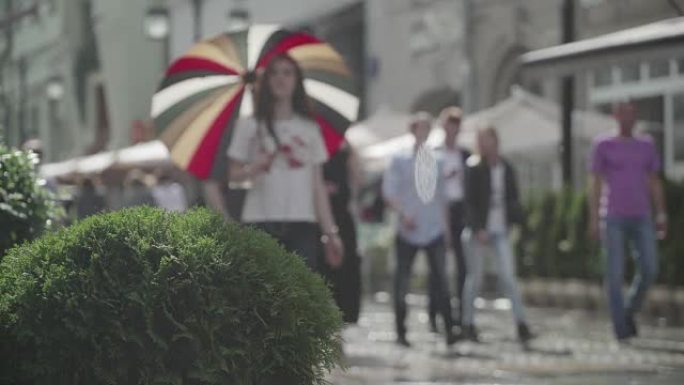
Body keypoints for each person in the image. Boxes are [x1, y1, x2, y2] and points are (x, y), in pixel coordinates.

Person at [227, 54, 343, 270]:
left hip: (302, 220)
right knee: (264, 294)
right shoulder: (249, 126)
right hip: (260, 219)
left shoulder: (309, 128)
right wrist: (254, 167)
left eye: (287, 73)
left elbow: (317, 184)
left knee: (301, 295)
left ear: (296, 81)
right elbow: (232, 175)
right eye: (274, 73)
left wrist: (330, 232)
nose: (281, 78)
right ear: (266, 80)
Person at [589, 102, 667, 341]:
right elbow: (595, 183)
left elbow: (653, 180)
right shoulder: (603, 145)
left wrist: (661, 213)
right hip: (613, 216)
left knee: (649, 268)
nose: (628, 118)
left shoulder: (646, 145)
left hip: (641, 215)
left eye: (632, 113)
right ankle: (621, 330)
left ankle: (628, 311)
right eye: (623, 113)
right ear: (615, 116)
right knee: (614, 274)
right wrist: (593, 218)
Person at [382, 112, 458, 348]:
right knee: (401, 283)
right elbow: (389, 194)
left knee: (442, 281)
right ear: (413, 130)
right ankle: (401, 332)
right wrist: (403, 214)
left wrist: (446, 231)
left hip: (433, 228)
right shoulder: (399, 160)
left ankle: (449, 330)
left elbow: (442, 200)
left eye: (428, 128)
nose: (424, 132)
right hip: (408, 230)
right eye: (420, 128)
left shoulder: (439, 161)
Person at [461, 126, 533, 345]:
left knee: (509, 278)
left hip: (500, 229)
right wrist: (477, 228)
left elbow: (513, 198)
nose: (484, 144)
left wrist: (514, 222)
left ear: (495, 141)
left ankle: (521, 323)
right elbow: (469, 203)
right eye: (480, 140)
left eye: (487, 139)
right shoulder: (473, 168)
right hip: (478, 231)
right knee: (475, 278)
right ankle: (468, 323)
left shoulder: (506, 168)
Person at [428, 107, 471, 333]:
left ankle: (461, 315)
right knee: (439, 266)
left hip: (460, 212)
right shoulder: (435, 153)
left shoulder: (465, 155)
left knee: (463, 267)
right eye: (449, 127)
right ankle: (435, 313)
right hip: (439, 212)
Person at [317, 141, 363, 324]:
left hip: (342, 215)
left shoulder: (346, 147)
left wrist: (351, 155)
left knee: (347, 264)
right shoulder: (315, 147)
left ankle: (345, 312)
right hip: (319, 216)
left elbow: (358, 180)